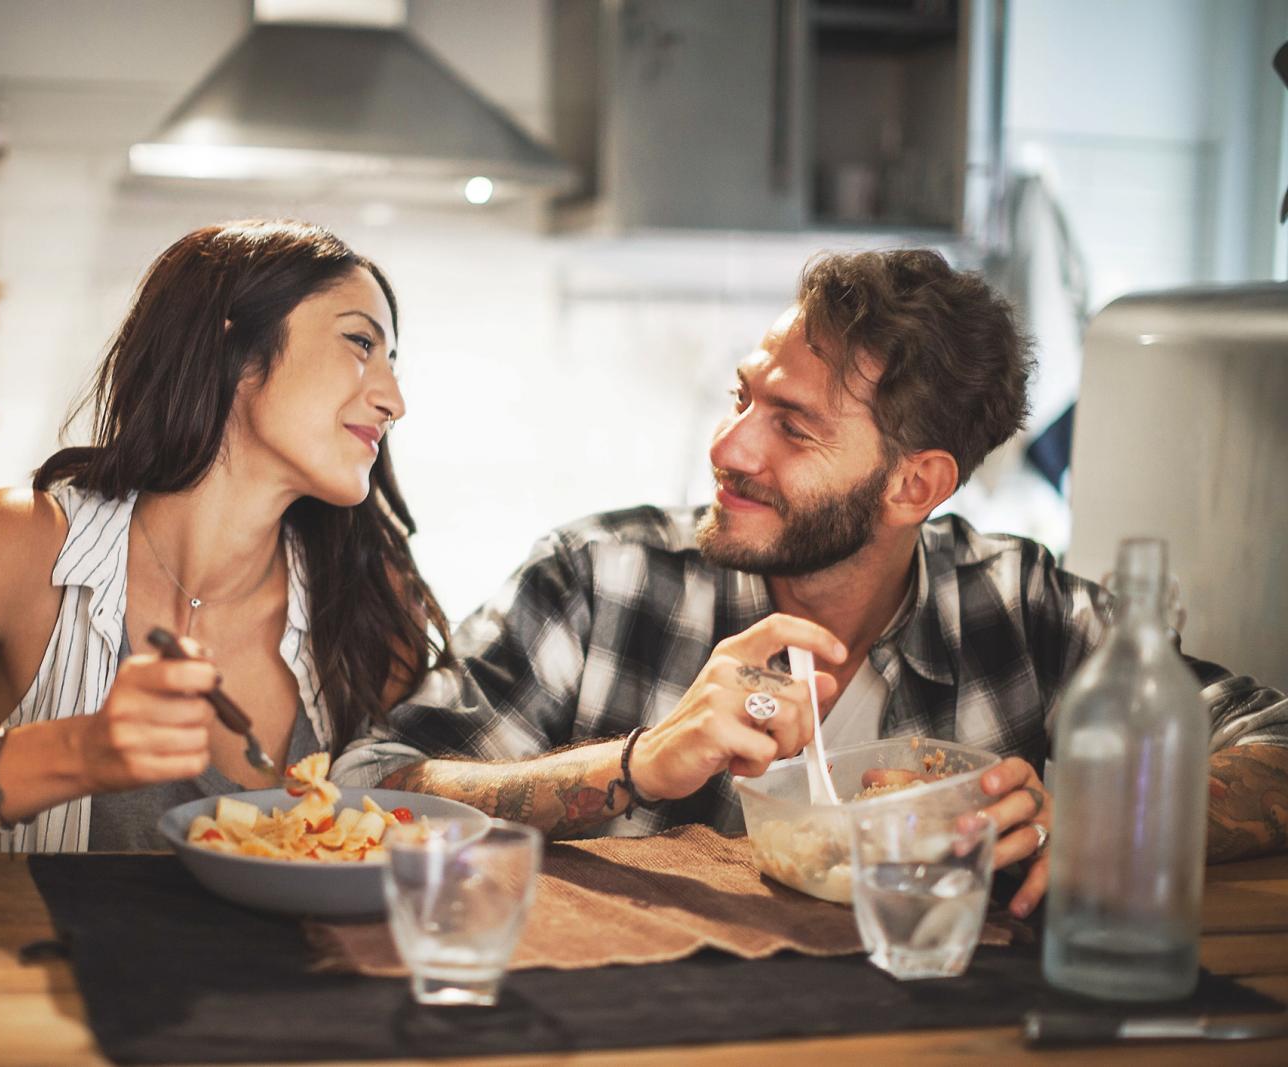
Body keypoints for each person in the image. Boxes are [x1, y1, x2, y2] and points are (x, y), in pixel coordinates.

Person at [332, 248, 1288, 920]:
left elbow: (1276, 737)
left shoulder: (1019, 606)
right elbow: (365, 787)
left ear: (918, 484)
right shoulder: (600, 580)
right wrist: (630, 765)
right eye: (745, 396)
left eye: (794, 427)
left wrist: (1102, 818)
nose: (728, 445)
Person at [0, 219, 448, 859]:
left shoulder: (368, 604)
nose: (395, 398)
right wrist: (77, 752)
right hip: (50, 988)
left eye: (393, 359)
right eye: (361, 344)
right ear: (232, 344)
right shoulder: (19, 547)